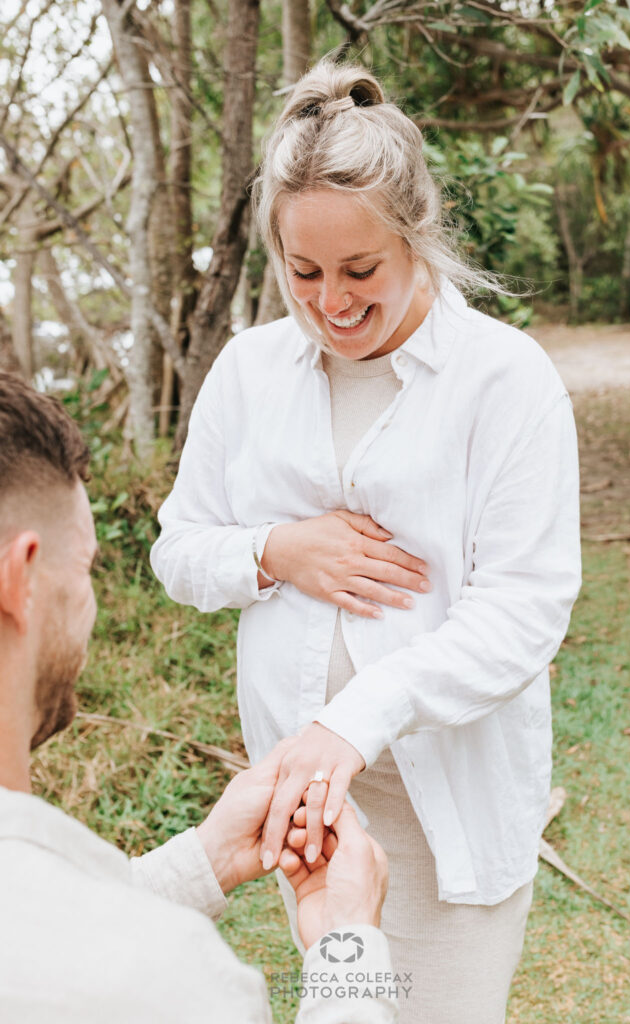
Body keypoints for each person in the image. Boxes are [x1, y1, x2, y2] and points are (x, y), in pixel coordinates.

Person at [151, 60, 582, 1022]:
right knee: (349, 1004)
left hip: (452, 812)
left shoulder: (504, 382)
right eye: (303, 274)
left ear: (416, 239)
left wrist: (354, 720)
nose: (331, 302)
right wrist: (275, 548)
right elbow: (177, 551)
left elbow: (523, 612)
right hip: (312, 815)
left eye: (360, 272)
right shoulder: (247, 372)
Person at [0, 370, 398, 1024]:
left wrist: (199, 861)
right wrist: (346, 946)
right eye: (87, 567)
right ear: (22, 579)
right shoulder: (165, 980)